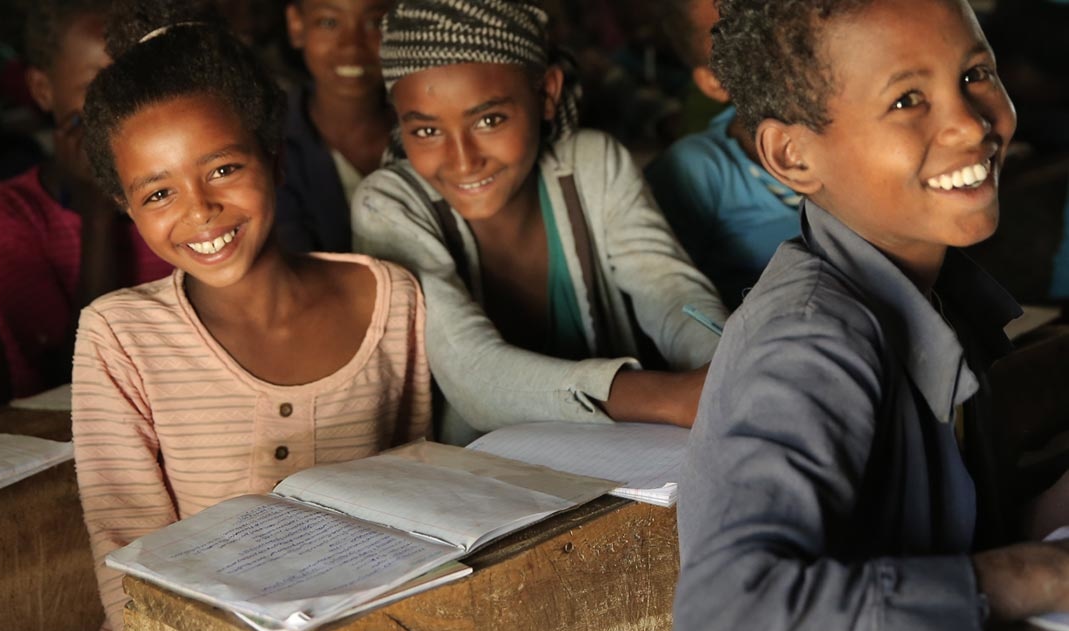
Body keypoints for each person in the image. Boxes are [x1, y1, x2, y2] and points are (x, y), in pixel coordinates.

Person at [670, 1, 1069, 631]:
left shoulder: (931, 293)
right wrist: (1043, 573)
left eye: (975, 73)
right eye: (907, 99)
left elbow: (946, 526)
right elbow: (725, 620)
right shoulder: (809, 341)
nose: (969, 125)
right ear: (792, 156)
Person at [71, 1, 432, 631]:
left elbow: (419, 515)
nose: (200, 210)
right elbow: (128, 557)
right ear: (126, 208)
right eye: (158, 194)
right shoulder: (118, 336)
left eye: (223, 169)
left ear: (274, 157)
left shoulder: (391, 298)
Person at [352, 0, 727, 445]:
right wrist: (674, 398)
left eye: (489, 120)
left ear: (547, 93)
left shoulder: (592, 165)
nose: (463, 161)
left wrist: (726, 370)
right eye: (427, 131)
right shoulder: (389, 204)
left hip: (629, 458)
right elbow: (475, 376)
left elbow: (671, 292)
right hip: (482, 490)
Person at [0, 0, 172, 398]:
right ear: (43, 90)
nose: (124, 105)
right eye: (99, 86)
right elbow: (71, 373)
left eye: (139, 80)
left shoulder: (178, 192)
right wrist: (98, 211)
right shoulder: (6, 212)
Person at [644, 0, 800, 309]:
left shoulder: (856, 139)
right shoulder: (694, 170)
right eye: (731, 33)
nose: (765, 39)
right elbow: (671, 300)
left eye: (766, 10)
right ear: (714, 83)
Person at [276, 0, 395, 253]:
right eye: (329, 22)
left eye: (375, 23)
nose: (352, 45)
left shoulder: (433, 132)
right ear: (296, 25)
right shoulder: (268, 147)